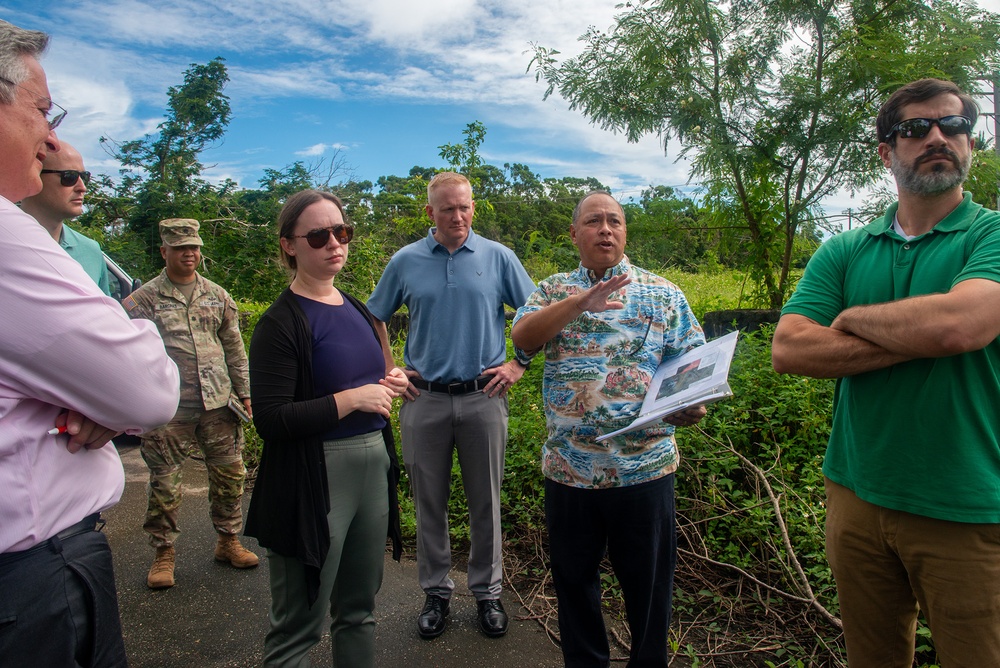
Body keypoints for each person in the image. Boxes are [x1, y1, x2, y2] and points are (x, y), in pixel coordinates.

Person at [771, 78, 1000, 667]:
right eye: (915, 128)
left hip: (967, 505)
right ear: (886, 151)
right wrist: (920, 335)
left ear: (970, 143)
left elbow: (961, 326)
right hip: (855, 496)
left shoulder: (991, 235)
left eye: (953, 126)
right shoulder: (846, 248)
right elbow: (791, 349)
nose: (936, 137)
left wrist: (849, 320)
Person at [0, 20, 180, 667]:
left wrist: (94, 379)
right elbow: (144, 384)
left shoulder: (89, 252)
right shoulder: (9, 239)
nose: (49, 140)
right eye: (41, 112)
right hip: (31, 572)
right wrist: (110, 370)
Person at [511, 191, 706, 667]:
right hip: (570, 470)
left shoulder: (663, 293)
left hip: (645, 469)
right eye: (594, 221)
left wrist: (692, 404)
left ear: (624, 232)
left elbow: (694, 363)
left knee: (650, 588)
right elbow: (522, 338)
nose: (605, 229)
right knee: (574, 584)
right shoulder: (553, 290)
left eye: (614, 221)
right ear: (574, 233)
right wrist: (580, 302)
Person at [366, 171, 535, 639]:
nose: (457, 216)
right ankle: (436, 591)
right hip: (425, 401)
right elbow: (372, 316)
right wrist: (391, 366)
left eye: (464, 207)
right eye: (447, 208)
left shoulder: (499, 258)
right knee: (428, 501)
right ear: (430, 213)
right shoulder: (406, 260)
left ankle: (488, 593)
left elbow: (537, 313)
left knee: (486, 501)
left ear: (473, 208)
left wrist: (519, 364)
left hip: (484, 396)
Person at [244, 190, 407, 666]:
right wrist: (352, 399)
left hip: (371, 468)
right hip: (313, 479)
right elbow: (272, 420)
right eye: (318, 235)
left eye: (342, 231)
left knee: (358, 610)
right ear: (290, 245)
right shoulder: (280, 323)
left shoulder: (355, 308)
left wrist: (389, 380)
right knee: (300, 623)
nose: (334, 242)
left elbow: (372, 373)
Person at [124, 218, 257, 589]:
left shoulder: (216, 294)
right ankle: (163, 553)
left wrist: (245, 392)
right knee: (166, 483)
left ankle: (228, 541)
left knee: (231, 475)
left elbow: (234, 346)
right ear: (164, 251)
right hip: (169, 407)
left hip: (218, 402)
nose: (190, 254)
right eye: (181, 248)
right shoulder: (144, 300)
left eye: (195, 247)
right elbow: (127, 355)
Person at [20, 140, 110, 295]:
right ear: (33, 175)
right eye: (70, 177)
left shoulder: (90, 251)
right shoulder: (7, 243)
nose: (82, 187)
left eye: (84, 177)